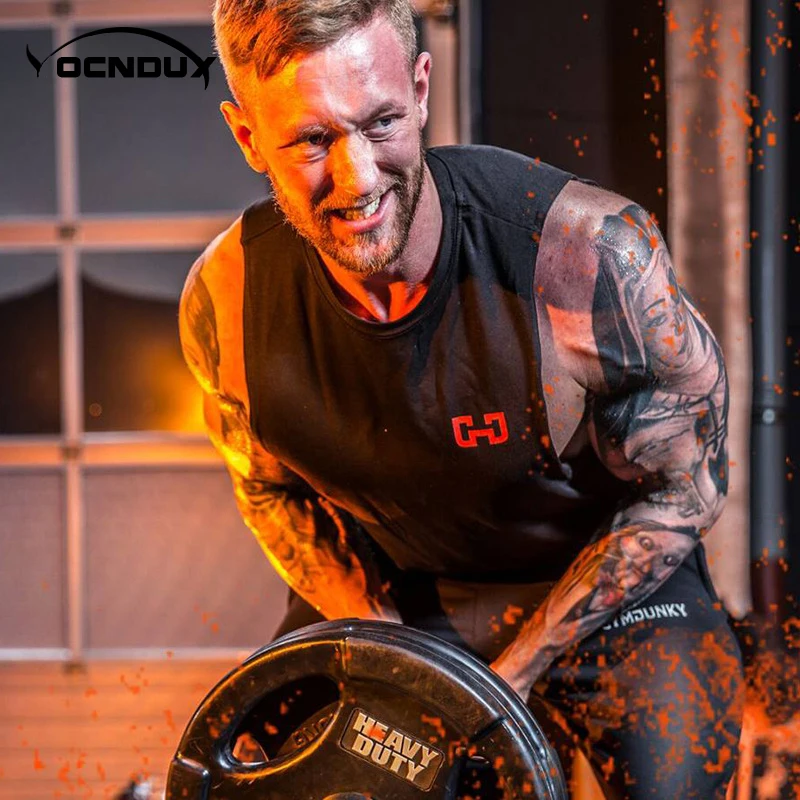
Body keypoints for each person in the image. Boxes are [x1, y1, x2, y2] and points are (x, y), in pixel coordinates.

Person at [179, 1, 744, 796]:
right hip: (400, 598)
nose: (357, 179)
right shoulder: (228, 299)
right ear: (247, 137)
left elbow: (688, 487)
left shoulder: (586, 258)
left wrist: (505, 679)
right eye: (311, 141)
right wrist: (394, 655)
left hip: (609, 593)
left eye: (380, 123)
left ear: (420, 88)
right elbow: (269, 492)